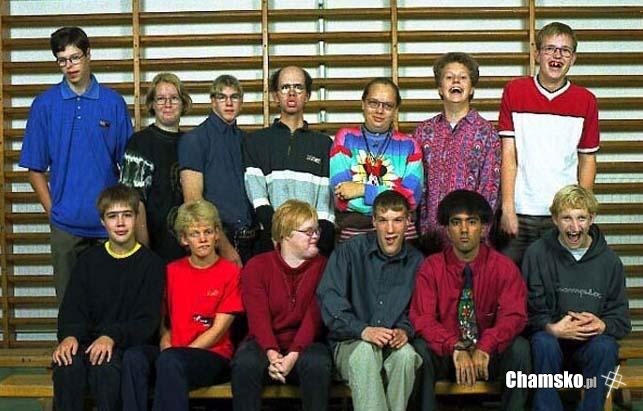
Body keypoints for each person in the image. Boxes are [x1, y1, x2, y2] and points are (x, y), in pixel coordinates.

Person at [19, 26, 133, 304]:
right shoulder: (44, 105)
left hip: (109, 225)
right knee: (70, 307)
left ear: (88, 54)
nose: (69, 66)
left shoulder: (113, 103)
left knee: (111, 305)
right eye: (62, 60)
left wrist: (121, 215)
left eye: (74, 57)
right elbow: (34, 169)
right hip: (65, 227)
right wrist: (53, 211)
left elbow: (129, 169)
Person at [410, 190, 529, 411]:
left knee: (520, 349)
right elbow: (423, 319)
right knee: (419, 350)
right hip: (448, 355)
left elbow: (514, 316)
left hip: (488, 355)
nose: (464, 230)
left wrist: (486, 345)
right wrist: (454, 346)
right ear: (447, 229)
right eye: (456, 223)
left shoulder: (503, 267)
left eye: (472, 222)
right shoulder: (431, 267)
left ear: (483, 228)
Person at [121, 200, 243, 411]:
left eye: (208, 232)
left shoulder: (231, 272)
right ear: (184, 239)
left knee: (171, 362)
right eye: (195, 234)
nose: (203, 239)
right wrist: (165, 343)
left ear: (217, 234)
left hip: (213, 355)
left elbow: (218, 331)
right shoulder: (171, 271)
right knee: (134, 358)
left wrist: (177, 353)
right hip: (172, 352)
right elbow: (163, 321)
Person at [52, 184, 164, 411]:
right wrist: (70, 336)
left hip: (126, 346)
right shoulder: (88, 261)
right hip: (88, 342)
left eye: (127, 215)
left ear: (136, 218)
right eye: (112, 216)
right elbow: (72, 309)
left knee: (105, 366)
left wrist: (111, 337)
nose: (120, 223)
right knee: (66, 364)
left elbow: (147, 322)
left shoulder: (152, 264)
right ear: (103, 222)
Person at [498, 22, 600, 265]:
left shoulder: (586, 100)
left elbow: (587, 159)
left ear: (573, 58)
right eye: (550, 49)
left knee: (557, 283)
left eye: (565, 50)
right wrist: (507, 207)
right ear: (537, 54)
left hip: (563, 214)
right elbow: (508, 155)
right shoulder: (515, 91)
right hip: (521, 211)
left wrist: (581, 211)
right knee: (511, 282)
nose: (557, 55)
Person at [523, 184, 630, 411]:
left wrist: (602, 325)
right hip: (551, 345)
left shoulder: (610, 261)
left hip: (590, 346)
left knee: (606, 347)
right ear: (554, 219)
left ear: (592, 219)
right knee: (542, 341)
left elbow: (621, 320)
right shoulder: (536, 253)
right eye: (566, 218)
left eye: (581, 218)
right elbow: (527, 312)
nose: (574, 227)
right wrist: (551, 328)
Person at [317, 190, 423, 411]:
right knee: (365, 353)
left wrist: (405, 330)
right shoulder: (349, 251)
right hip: (350, 343)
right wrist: (362, 330)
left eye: (397, 220)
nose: (390, 230)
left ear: (408, 222)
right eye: (383, 221)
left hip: (392, 344)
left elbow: (420, 309)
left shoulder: (417, 262)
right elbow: (329, 298)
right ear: (374, 221)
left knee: (407, 357)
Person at [231, 200, 332, 411]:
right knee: (245, 364)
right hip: (264, 341)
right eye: (308, 231)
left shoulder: (324, 266)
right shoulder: (257, 266)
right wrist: (272, 353)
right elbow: (258, 318)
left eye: (316, 230)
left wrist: (293, 355)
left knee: (317, 364)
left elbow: (314, 317)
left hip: (307, 342)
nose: (315, 236)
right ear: (286, 235)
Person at [413, 53, 500, 254]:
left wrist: (480, 231)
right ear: (439, 88)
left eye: (463, 77)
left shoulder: (487, 133)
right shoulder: (423, 132)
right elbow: (417, 185)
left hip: (472, 240)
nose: (456, 81)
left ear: (472, 89)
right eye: (449, 77)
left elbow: (491, 188)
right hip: (430, 239)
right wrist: (422, 230)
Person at [243, 66, 334, 256]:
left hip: (311, 245)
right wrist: (278, 234)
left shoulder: (324, 144)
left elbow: (325, 202)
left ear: (307, 96)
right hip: (271, 242)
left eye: (298, 87)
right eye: (285, 87)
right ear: (275, 96)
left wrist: (315, 242)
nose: (291, 93)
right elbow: (258, 196)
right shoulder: (255, 141)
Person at [330, 77, 423, 242]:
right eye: (373, 103)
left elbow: (411, 198)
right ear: (363, 104)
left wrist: (362, 190)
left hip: (402, 238)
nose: (380, 110)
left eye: (388, 106)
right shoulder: (345, 138)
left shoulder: (410, 145)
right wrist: (393, 199)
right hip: (354, 238)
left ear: (396, 110)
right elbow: (341, 197)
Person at [179, 74, 255, 265]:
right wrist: (224, 247)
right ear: (213, 101)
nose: (229, 103)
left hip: (251, 238)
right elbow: (193, 200)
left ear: (241, 102)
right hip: (217, 241)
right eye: (222, 97)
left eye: (234, 97)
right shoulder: (195, 139)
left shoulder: (247, 140)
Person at [120, 72, 192, 262]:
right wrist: (145, 252)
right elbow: (133, 201)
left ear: (183, 103)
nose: (167, 104)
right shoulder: (139, 143)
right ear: (152, 104)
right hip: (153, 247)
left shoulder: (192, 143)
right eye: (160, 99)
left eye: (174, 98)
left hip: (190, 248)